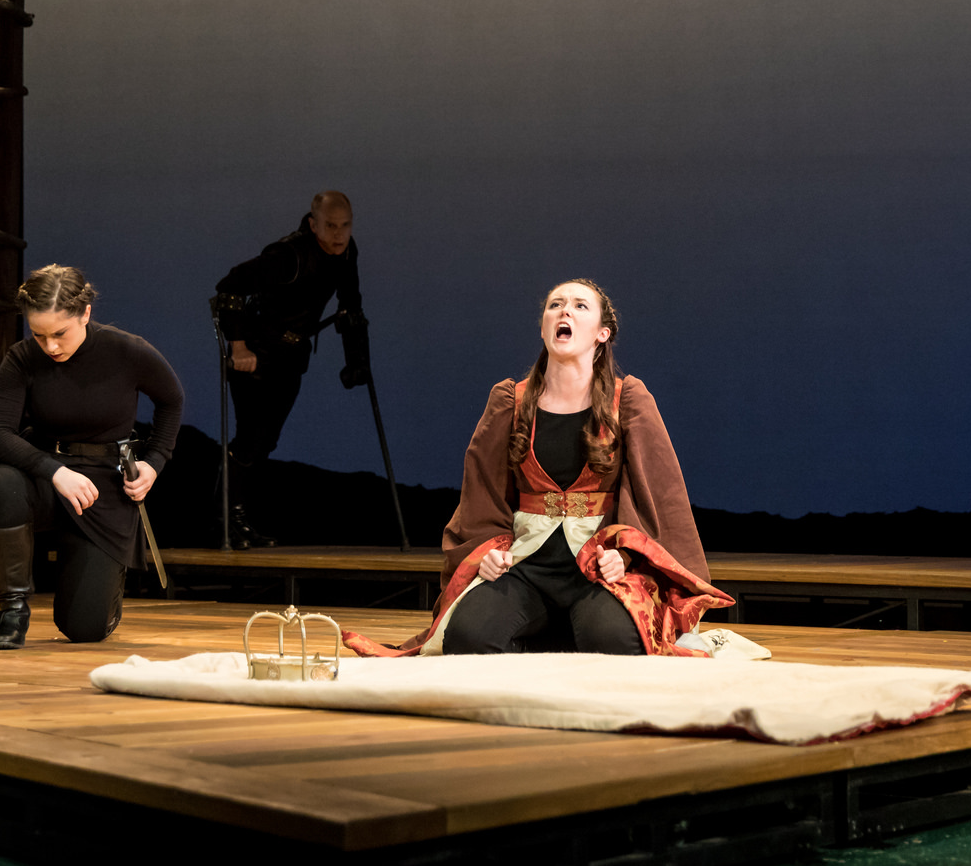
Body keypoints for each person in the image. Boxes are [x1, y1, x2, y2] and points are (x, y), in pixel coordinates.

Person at [344, 280, 732, 659]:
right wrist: (489, 552)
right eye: (555, 305)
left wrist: (625, 556)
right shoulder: (509, 400)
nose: (565, 311)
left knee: (616, 642)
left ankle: (567, 634)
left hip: (597, 569)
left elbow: (659, 494)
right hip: (527, 564)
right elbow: (482, 494)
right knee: (467, 636)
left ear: (602, 333)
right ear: (544, 328)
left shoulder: (627, 400)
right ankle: (545, 639)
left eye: (580, 306)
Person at [0, 265, 184, 649]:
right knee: (1, 480)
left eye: (60, 334)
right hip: (46, 477)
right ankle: (12, 610)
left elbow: (172, 401)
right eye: (39, 335)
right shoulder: (22, 357)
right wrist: (55, 471)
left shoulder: (127, 350)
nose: (50, 347)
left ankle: (100, 590)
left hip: (102, 484)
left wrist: (155, 462)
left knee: (84, 629)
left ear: (85, 313)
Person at [214, 191, 369, 547]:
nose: (339, 234)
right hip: (255, 352)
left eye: (345, 226)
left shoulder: (347, 252)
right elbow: (229, 288)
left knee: (266, 440)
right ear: (313, 224)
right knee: (251, 437)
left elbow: (351, 304)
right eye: (330, 226)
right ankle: (225, 522)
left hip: (291, 355)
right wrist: (239, 348)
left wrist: (357, 361)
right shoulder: (287, 255)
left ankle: (235, 518)